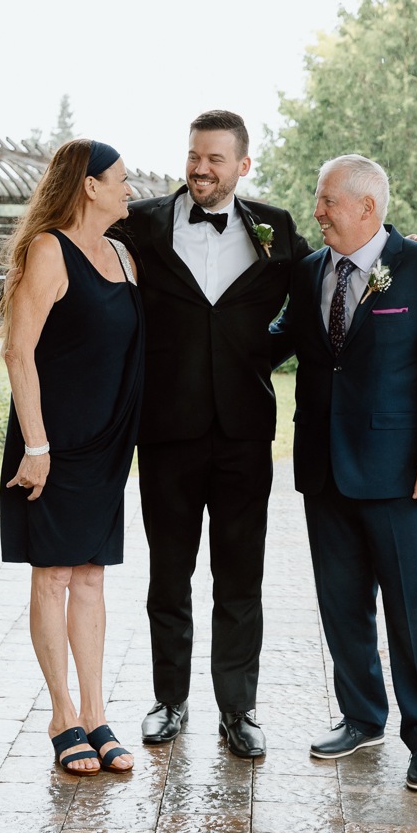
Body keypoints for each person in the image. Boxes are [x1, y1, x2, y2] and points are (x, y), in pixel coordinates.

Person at [270, 153, 417, 791]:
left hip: (404, 479)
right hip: (325, 473)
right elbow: (278, 341)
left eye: (328, 201)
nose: (318, 212)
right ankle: (361, 716)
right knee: (342, 608)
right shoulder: (308, 273)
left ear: (367, 207)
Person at [116, 110, 310, 758]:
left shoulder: (276, 229)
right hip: (164, 432)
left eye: (216, 159)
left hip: (243, 437)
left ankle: (238, 710)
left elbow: (311, 304)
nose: (201, 168)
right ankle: (168, 701)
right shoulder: (138, 223)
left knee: (239, 578)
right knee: (168, 575)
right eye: (195, 156)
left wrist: (256, 354)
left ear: (242, 166)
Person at [0, 138, 144, 776]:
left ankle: (96, 712)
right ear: (89, 185)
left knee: (91, 576)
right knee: (53, 575)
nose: (129, 189)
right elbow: (18, 351)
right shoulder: (48, 250)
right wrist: (35, 445)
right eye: (120, 179)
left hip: (107, 445)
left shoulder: (123, 255)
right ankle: (62, 716)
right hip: (52, 445)